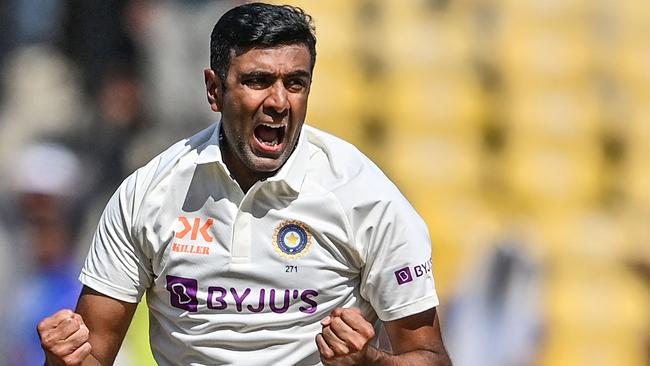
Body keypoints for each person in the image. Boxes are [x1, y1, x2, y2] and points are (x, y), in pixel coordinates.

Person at [37, 3, 452, 365]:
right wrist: (63, 360)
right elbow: (93, 353)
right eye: (257, 81)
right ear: (214, 90)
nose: (278, 101)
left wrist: (370, 362)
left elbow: (431, 356)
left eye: (295, 83)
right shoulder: (149, 193)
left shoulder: (366, 196)